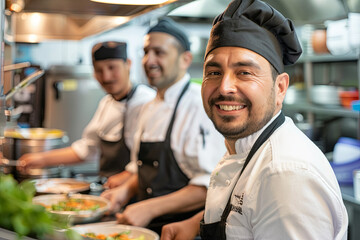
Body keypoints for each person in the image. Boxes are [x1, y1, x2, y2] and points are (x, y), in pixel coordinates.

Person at [160, 0, 349, 239]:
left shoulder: (285, 175)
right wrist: (194, 223)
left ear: (280, 88)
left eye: (245, 73)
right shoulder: (245, 145)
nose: (225, 87)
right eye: (214, 72)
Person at [101, 18, 226, 235]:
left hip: (183, 231)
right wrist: (123, 191)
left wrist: (149, 208)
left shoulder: (201, 107)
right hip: (144, 227)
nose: (149, 60)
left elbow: (212, 186)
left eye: (159, 52)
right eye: (146, 51)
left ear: (185, 59)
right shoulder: (149, 106)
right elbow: (145, 169)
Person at [18, 41, 155, 186]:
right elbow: (88, 149)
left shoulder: (147, 102)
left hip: (137, 193)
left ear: (128, 63)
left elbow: (150, 160)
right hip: (109, 190)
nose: (106, 77)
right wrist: (41, 159)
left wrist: (125, 177)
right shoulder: (107, 103)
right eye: (99, 70)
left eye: (112, 67)